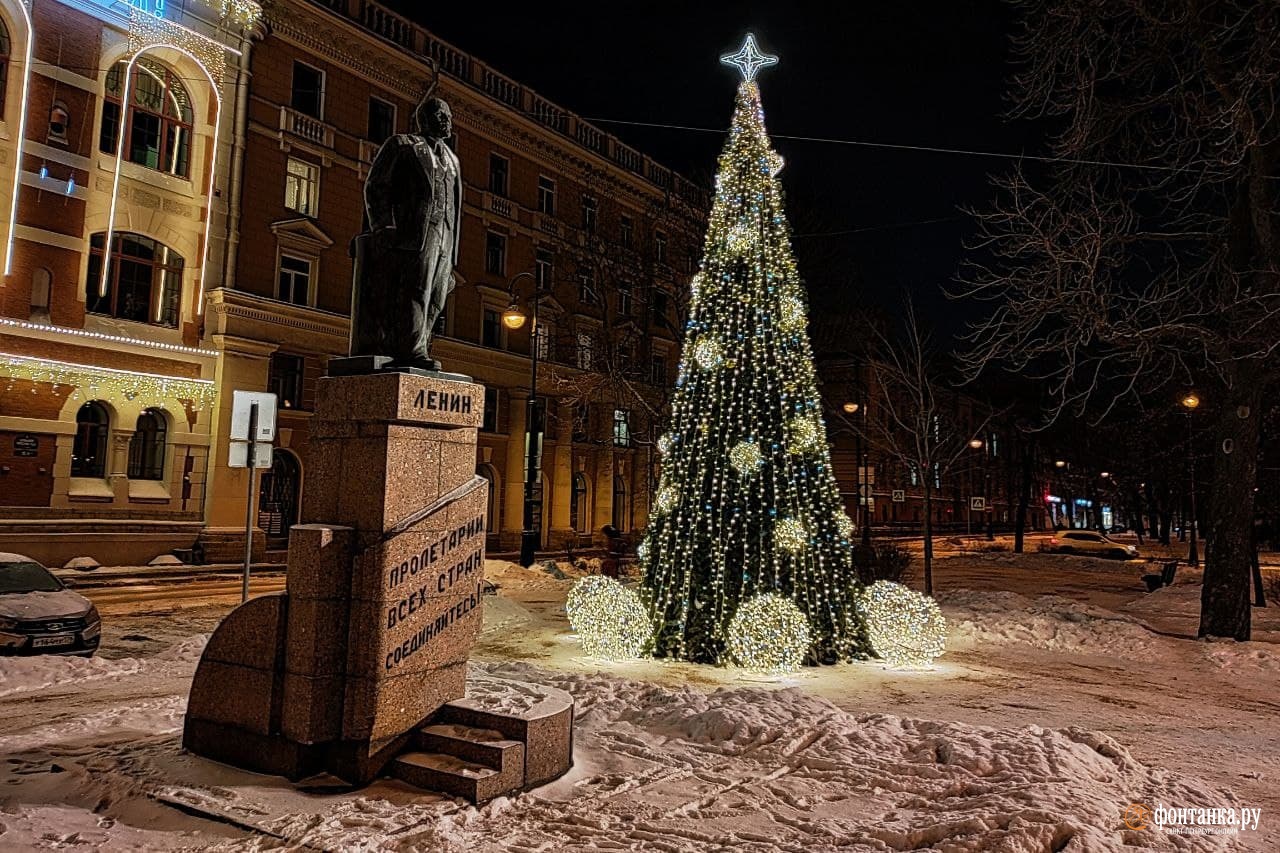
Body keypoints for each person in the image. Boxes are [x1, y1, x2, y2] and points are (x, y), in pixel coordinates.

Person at [350, 95, 462, 371]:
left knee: (436, 296)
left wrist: (454, 254)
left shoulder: (453, 160)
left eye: (448, 116)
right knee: (416, 289)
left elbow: (456, 206)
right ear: (424, 119)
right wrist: (384, 225)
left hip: (445, 234)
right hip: (415, 232)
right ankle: (410, 350)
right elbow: (376, 186)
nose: (447, 121)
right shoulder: (402, 145)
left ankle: (421, 343)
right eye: (441, 115)